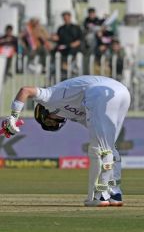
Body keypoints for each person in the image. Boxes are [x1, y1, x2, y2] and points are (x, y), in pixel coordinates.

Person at [1, 75, 131, 207]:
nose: (52, 123)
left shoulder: (49, 98)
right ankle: (115, 193)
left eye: (48, 121)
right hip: (121, 92)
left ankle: (100, 195)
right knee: (109, 147)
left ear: (43, 112)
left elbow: (25, 90)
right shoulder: (76, 116)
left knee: (100, 149)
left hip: (101, 92)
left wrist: (13, 117)